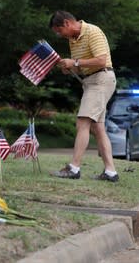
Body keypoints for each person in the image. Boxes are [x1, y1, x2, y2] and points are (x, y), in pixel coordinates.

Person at [49, 10, 118, 182]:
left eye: (59, 31)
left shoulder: (92, 31)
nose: (60, 35)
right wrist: (70, 68)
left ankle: (74, 168)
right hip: (91, 82)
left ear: (67, 23)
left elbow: (101, 60)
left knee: (83, 121)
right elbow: (80, 66)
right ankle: (111, 172)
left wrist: (76, 62)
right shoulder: (73, 40)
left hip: (101, 79)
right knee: (97, 128)